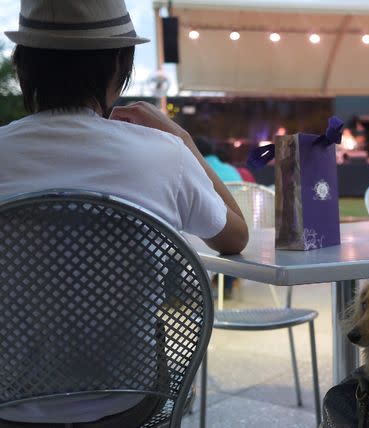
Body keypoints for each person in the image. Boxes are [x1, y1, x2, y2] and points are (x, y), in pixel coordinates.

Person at [0, 0, 248, 424]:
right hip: (127, 401)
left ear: (23, 67)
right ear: (119, 65)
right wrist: (183, 140)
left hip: (9, 401)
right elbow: (235, 236)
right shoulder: (163, 155)